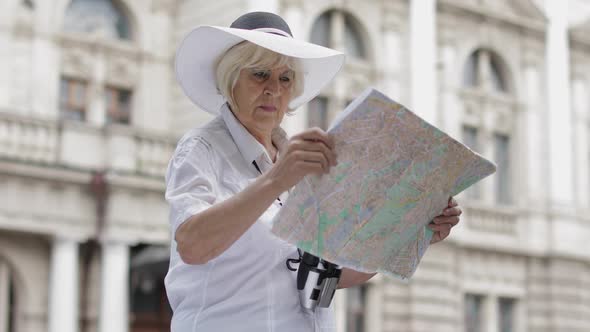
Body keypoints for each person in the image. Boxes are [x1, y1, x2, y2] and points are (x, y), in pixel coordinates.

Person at [165, 11, 462, 332]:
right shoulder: (201, 148)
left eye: (285, 78)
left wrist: (415, 232)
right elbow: (192, 245)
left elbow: (326, 277)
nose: (273, 90)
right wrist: (277, 179)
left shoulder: (299, 163)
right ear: (230, 79)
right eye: (260, 74)